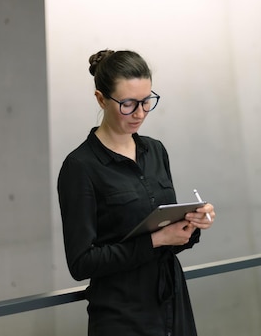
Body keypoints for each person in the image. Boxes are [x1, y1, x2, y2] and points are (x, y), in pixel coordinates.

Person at [57, 49, 216, 336]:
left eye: (146, 101)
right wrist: (156, 240)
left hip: (172, 303)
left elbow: (168, 237)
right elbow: (81, 263)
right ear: (101, 99)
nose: (140, 113)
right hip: (121, 315)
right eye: (128, 104)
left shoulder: (155, 150)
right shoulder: (80, 166)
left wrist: (191, 225)